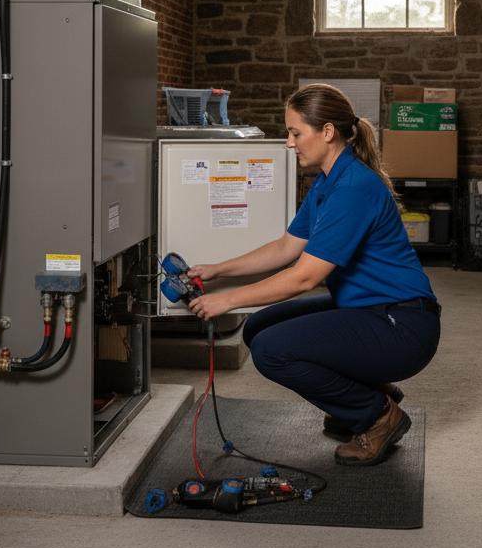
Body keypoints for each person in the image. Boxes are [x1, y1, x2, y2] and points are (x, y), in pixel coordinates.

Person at [187, 83, 441, 467]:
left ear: (326, 132)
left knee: (272, 350)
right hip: (370, 310)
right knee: (258, 329)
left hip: (402, 324)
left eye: (295, 133)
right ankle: (366, 390)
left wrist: (225, 300)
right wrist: (218, 269)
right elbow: (286, 249)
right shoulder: (327, 181)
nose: (289, 143)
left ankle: (376, 414)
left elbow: (303, 278)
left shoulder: (352, 188)